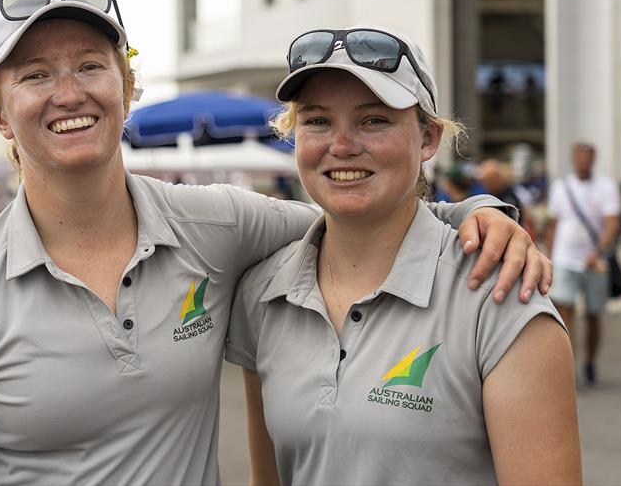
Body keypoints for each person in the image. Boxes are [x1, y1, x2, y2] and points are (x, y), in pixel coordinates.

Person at [0, 0, 551, 485]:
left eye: (90, 66)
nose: (68, 92)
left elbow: (364, 216)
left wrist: (483, 214)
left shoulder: (217, 227)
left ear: (126, 85)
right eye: (35, 74)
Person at [228, 25, 580, 485]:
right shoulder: (263, 294)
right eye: (317, 120)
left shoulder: (501, 298)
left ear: (429, 139)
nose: (342, 145)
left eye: (374, 120)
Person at [546, 142, 621, 385]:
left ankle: (590, 361)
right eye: (579, 158)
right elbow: (554, 223)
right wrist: (548, 254)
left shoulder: (605, 187)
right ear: (573, 159)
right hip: (565, 258)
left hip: (594, 261)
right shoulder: (561, 187)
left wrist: (598, 250)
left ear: (593, 160)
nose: (583, 163)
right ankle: (569, 364)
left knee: (592, 314)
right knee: (564, 312)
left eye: (587, 159)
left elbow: (612, 222)